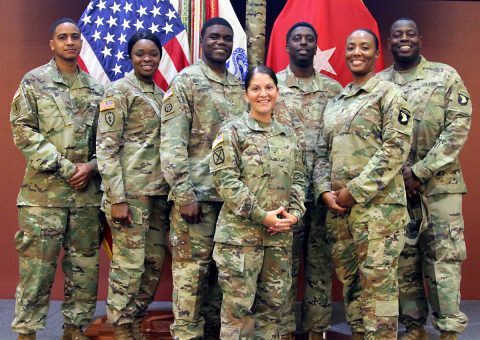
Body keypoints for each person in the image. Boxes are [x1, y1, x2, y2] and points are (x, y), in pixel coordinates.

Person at [313, 29, 413, 339]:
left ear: (376, 52)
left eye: (365, 47)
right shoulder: (335, 102)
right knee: (352, 284)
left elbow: (395, 148)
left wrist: (354, 191)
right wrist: (324, 191)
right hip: (340, 212)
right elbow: (321, 152)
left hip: (378, 212)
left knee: (379, 287)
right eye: (352, 47)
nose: (358, 52)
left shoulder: (390, 94)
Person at [10, 18, 104, 340]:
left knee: (84, 272)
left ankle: (75, 331)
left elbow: (107, 143)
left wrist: (90, 167)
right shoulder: (33, 82)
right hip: (43, 199)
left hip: (85, 200)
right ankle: (26, 333)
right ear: (52, 44)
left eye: (74, 37)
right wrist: (67, 168)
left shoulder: (98, 90)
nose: (69, 42)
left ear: (81, 43)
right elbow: (22, 131)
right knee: (36, 273)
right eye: (62, 37)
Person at [379, 18, 472, 340]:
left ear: (420, 39)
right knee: (403, 259)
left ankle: (448, 329)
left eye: (410, 34)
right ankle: (413, 326)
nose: (404, 39)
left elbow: (458, 127)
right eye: (397, 35)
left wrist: (420, 171)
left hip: (440, 186)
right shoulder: (379, 83)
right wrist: (397, 174)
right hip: (397, 190)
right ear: (389, 42)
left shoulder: (444, 76)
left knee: (443, 258)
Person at [160, 17, 246, 339]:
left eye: (226, 38)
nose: (221, 42)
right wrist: (184, 194)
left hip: (230, 201)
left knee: (223, 279)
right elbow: (171, 143)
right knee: (191, 278)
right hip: (196, 198)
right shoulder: (186, 82)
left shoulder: (239, 86)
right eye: (214, 37)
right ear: (202, 40)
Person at [210, 65, 306, 339]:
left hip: (278, 240)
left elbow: (299, 179)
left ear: (277, 91)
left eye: (269, 87)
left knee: (273, 313)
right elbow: (225, 181)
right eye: (256, 88)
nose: (263, 94)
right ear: (246, 94)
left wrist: (295, 215)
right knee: (237, 314)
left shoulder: (288, 137)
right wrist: (261, 215)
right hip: (240, 241)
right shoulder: (231, 133)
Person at [95, 31, 170, 339]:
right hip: (130, 196)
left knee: (153, 265)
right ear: (131, 57)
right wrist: (117, 198)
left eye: (152, 53)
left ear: (160, 57)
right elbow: (106, 147)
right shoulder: (119, 91)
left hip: (158, 196)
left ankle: (135, 324)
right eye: (140, 54)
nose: (147, 59)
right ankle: (121, 327)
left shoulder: (160, 95)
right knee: (128, 267)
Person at [274, 22, 343, 339]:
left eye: (309, 39)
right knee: (283, 267)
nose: (303, 43)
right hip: (285, 195)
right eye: (297, 39)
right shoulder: (272, 86)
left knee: (320, 267)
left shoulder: (333, 90)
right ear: (287, 46)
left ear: (316, 47)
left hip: (325, 195)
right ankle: (284, 330)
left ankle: (317, 331)